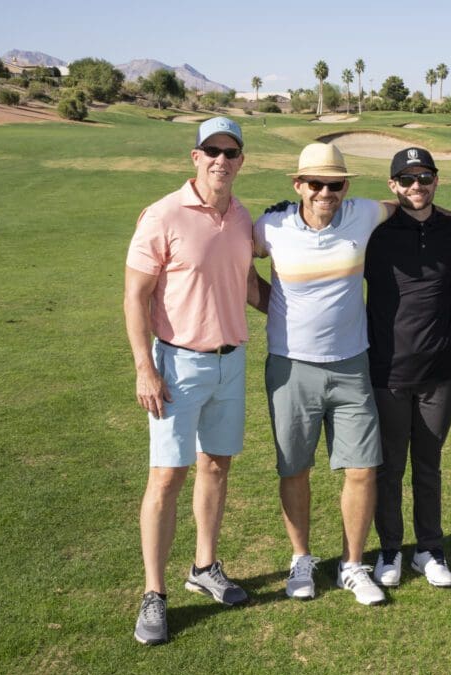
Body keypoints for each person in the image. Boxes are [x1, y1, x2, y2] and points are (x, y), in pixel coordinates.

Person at [124, 117, 255, 645]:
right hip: (177, 366)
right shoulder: (163, 214)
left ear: (241, 160)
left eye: (231, 152)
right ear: (195, 157)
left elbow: (248, 285)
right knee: (166, 477)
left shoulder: (241, 218)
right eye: (212, 151)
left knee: (216, 465)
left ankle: (204, 567)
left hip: (231, 362)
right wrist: (144, 367)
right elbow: (135, 296)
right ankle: (154, 593)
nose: (222, 160)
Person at [253, 142, 396, 606]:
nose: (325, 193)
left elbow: (410, 204)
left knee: (362, 469)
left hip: (352, 365)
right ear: (298, 185)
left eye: (335, 184)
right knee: (295, 468)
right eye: (315, 184)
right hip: (291, 367)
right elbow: (232, 252)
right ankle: (301, 559)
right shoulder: (270, 226)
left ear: (345, 187)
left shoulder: (364, 213)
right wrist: (274, 307)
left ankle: (352, 565)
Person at [365, 147, 451, 589]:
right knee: (389, 466)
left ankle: (429, 549)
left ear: (436, 180)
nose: (416, 186)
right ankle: (390, 549)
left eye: (425, 177)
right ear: (393, 184)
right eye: (406, 180)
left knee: (429, 464)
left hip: (441, 368)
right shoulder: (375, 232)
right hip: (387, 368)